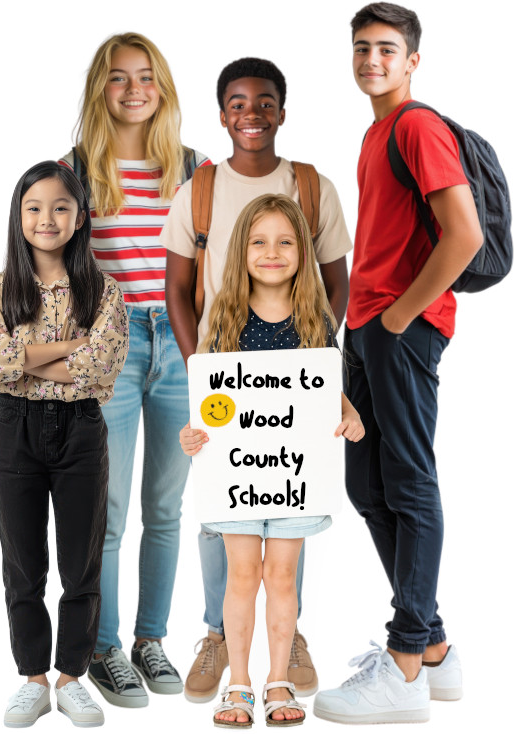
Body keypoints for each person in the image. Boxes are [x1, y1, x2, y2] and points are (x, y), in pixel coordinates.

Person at [313, 3, 483, 726]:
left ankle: (406, 660)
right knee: (366, 485)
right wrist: (366, 323)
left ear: (412, 61)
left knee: (408, 483)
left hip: (398, 329)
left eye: (386, 49)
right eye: (361, 48)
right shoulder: (375, 131)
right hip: (369, 328)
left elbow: (464, 235)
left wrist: (399, 315)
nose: (371, 60)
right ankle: (435, 650)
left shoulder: (414, 127)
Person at [163, 56, 352, 703]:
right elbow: (179, 289)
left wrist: (316, 370)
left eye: (264, 101)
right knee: (222, 522)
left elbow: (333, 277)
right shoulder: (202, 189)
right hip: (222, 368)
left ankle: (286, 637)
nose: (251, 114)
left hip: (293, 378)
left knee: (286, 542)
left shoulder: (309, 184)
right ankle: (220, 637)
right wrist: (204, 377)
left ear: (281, 110)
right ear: (222, 114)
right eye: (238, 103)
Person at [60, 32, 211, 707]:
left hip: (181, 348)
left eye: (145, 77)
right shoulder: (73, 171)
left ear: (163, 88)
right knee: (109, 509)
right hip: (112, 351)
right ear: (101, 88)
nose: (132, 90)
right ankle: (105, 647)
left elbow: (220, 266)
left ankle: (151, 640)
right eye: (118, 78)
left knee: (166, 506)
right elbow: (51, 271)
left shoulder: (193, 168)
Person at [179, 194, 364, 727]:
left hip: (295, 475)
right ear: (241, 252)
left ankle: (277, 681)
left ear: (304, 253)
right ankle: (238, 685)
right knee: (242, 575)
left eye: (286, 242)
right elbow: (210, 402)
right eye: (259, 242)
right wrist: (194, 434)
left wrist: (349, 415)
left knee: (282, 576)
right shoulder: (225, 317)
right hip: (237, 473)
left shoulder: (314, 319)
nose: (272, 252)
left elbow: (326, 389)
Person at [0, 161, 128, 728]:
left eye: (60, 207)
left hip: (82, 430)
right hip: (13, 430)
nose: (47, 218)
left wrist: (26, 357)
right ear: (18, 217)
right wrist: (62, 355)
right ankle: (33, 678)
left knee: (81, 561)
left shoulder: (103, 292)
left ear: (80, 218)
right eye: (34, 207)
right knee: (23, 562)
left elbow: (101, 369)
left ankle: (71, 677)